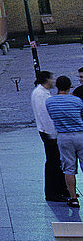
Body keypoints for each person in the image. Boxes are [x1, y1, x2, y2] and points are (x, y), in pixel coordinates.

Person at [34, 71, 71, 202]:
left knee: (57, 162)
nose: (53, 81)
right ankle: (52, 192)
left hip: (50, 132)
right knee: (53, 163)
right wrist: (53, 135)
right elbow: (45, 116)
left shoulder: (43, 93)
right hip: (49, 133)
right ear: (46, 80)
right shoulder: (40, 94)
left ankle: (62, 189)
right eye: (52, 79)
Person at [46, 75, 83, 207]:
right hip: (80, 134)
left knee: (69, 168)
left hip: (63, 136)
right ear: (69, 87)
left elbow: (51, 116)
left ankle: (73, 198)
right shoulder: (77, 101)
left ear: (57, 86)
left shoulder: (50, 102)